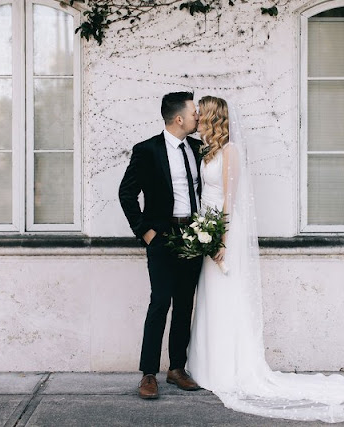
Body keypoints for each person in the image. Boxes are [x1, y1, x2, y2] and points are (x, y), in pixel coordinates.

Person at [186, 96, 344, 422]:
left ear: (213, 117)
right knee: (209, 298)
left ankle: (227, 370)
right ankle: (207, 366)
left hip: (223, 232)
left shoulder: (230, 151)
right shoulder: (207, 150)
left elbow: (230, 201)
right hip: (208, 229)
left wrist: (224, 241)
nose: (197, 116)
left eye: (202, 112)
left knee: (225, 298)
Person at [119, 91, 204, 400]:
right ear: (178, 118)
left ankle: (177, 368)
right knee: (160, 304)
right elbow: (126, 194)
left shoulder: (198, 149)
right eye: (195, 112)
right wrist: (146, 233)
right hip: (162, 238)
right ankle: (148, 373)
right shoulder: (147, 151)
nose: (199, 117)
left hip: (193, 238)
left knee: (185, 305)